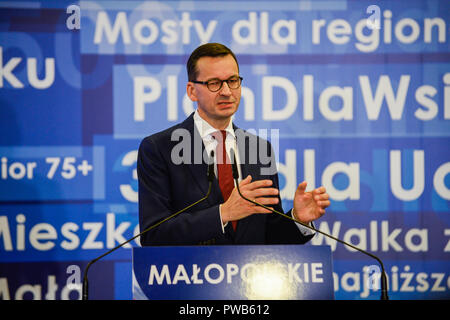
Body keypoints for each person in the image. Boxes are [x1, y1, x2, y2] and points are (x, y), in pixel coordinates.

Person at [137, 43, 330, 246]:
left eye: (233, 80)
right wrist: (223, 214)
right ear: (192, 91)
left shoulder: (259, 149)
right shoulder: (160, 148)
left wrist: (297, 218)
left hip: (249, 276)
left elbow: (268, 235)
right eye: (214, 83)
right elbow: (153, 234)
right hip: (189, 275)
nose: (227, 91)